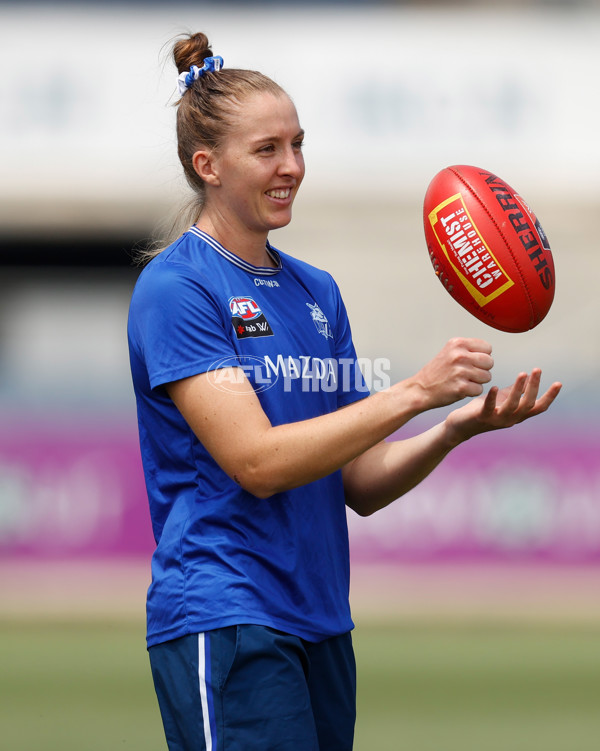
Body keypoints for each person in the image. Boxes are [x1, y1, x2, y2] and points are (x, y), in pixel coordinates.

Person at [127, 32, 562, 751]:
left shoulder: (315, 291)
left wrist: (452, 427)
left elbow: (356, 479)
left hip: (322, 621)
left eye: (298, 144)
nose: (292, 166)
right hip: (226, 613)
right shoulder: (178, 288)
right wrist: (417, 390)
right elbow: (257, 462)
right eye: (267, 149)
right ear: (207, 165)